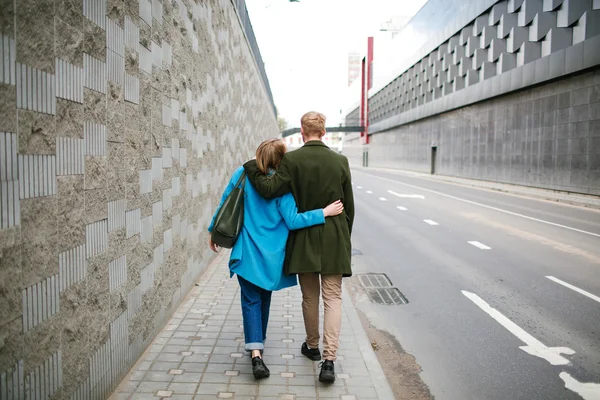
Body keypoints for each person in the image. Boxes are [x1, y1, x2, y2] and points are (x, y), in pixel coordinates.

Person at [207, 138, 344, 380]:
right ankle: (258, 347)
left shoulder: (242, 173)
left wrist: (213, 230)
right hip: (271, 257)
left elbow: (226, 202)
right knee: (263, 299)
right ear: (281, 160)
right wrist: (324, 212)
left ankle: (256, 354)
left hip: (246, 251)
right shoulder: (283, 188)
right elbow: (294, 221)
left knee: (250, 301)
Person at [243, 112, 354, 383]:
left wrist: (250, 166)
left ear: (302, 133)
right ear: (325, 132)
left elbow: (269, 190)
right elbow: (349, 206)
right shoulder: (340, 161)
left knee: (310, 297)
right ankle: (329, 361)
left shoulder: (291, 160)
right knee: (333, 298)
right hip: (334, 237)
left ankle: (312, 346)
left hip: (304, 238)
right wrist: (344, 237)